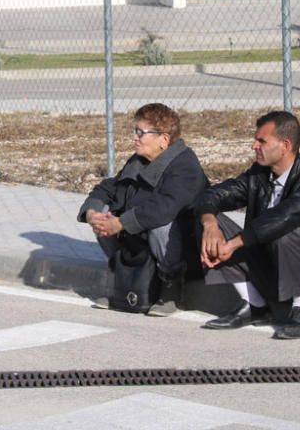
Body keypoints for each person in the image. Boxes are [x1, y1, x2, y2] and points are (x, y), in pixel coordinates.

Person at [194, 110, 300, 339]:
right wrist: (209, 224)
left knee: (283, 230)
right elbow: (214, 195)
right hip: (270, 265)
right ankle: (253, 304)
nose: (254, 146)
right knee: (210, 223)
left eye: (261, 141)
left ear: (285, 145)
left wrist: (233, 245)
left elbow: (282, 219)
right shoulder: (259, 175)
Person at [78, 103, 207, 316]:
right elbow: (108, 187)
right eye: (135, 131)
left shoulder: (185, 166)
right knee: (104, 210)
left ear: (164, 140)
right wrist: (92, 213)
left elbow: (164, 208)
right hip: (141, 241)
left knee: (162, 224)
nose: (135, 137)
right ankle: (125, 283)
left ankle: (171, 288)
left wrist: (119, 223)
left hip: (184, 247)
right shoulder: (139, 161)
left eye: (141, 133)